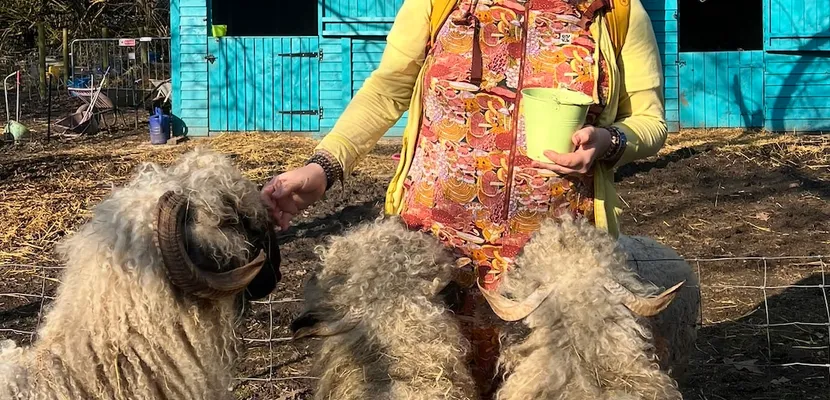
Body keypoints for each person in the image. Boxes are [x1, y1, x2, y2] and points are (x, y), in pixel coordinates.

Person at [261, 0, 666, 395]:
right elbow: (386, 91)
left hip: (553, 268)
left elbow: (650, 122)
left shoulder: (617, 13)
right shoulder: (438, 4)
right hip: (428, 266)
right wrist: (323, 167)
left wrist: (610, 141)